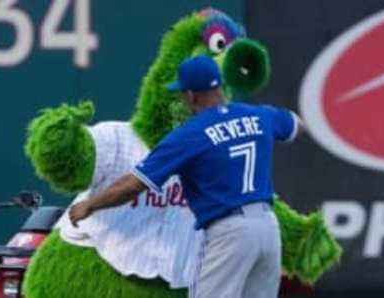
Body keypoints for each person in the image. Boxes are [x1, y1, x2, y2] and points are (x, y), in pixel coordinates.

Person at [69, 55, 303, 298]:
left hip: (230, 232)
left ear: (191, 95)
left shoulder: (190, 134)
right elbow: (296, 124)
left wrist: (91, 204)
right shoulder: (260, 116)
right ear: (219, 86)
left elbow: (134, 184)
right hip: (268, 228)